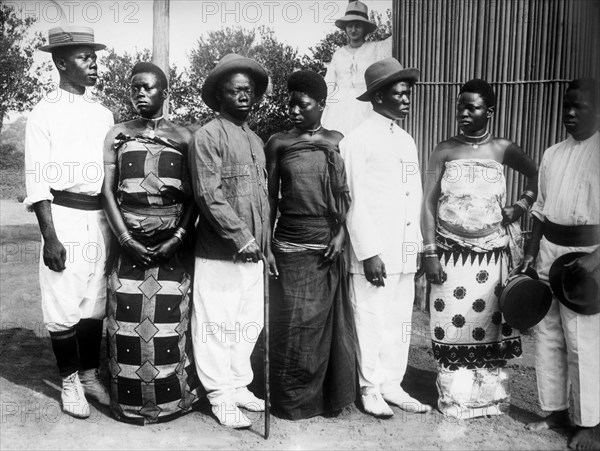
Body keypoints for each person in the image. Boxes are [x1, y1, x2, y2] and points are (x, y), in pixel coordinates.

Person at [421, 79, 538, 419]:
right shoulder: (443, 149)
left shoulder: (503, 148)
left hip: (491, 257)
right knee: (451, 327)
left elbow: (537, 174)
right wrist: (429, 252)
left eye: (471, 107)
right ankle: (456, 402)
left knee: (488, 326)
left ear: (489, 112)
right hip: (450, 256)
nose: (463, 113)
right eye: (460, 106)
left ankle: (488, 402)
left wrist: (520, 205)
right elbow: (427, 203)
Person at [101, 62, 201, 424]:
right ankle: (126, 402)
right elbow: (108, 193)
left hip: (171, 244)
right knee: (124, 318)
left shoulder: (186, 137)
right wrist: (125, 239)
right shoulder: (117, 134)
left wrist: (177, 237)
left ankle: (172, 401)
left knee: (171, 321)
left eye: (148, 88)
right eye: (135, 88)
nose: (141, 94)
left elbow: (194, 197)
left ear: (165, 92)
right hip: (129, 242)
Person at [24, 26, 113, 419]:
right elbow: (36, 180)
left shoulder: (103, 112)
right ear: (61, 63)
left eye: (94, 56)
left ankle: (91, 374)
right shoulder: (44, 112)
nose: (92, 62)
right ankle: (69, 380)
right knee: (62, 300)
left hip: (99, 217)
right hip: (63, 215)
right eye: (83, 57)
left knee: (94, 302)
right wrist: (50, 236)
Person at [340, 57, 430, 418]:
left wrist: (417, 247)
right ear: (378, 97)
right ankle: (369, 386)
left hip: (403, 251)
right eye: (399, 93)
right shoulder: (358, 140)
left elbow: (414, 196)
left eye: (408, 93)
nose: (407, 99)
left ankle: (392, 382)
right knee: (371, 318)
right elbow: (352, 200)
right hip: (374, 254)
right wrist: (369, 252)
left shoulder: (406, 140)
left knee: (398, 320)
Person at [189, 54, 274, 429]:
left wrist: (265, 247)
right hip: (221, 252)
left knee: (248, 323)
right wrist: (241, 238)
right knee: (216, 326)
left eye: (248, 90)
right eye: (235, 90)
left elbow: (263, 201)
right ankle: (220, 395)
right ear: (219, 95)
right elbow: (209, 194)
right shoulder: (208, 135)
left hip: (255, 254)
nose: (244, 96)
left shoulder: (256, 140)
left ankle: (239, 384)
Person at [265, 70, 356, 419]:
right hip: (289, 242)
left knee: (321, 326)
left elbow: (347, 195)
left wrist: (341, 234)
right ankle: (290, 400)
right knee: (291, 324)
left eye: (302, 105)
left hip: (326, 243)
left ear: (321, 105)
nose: (295, 111)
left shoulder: (338, 141)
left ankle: (324, 398)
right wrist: (268, 244)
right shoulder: (279, 143)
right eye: (291, 105)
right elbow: (270, 198)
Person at [522, 78, 599, 450]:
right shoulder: (552, 153)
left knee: (583, 339)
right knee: (548, 333)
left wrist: (597, 261)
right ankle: (554, 410)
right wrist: (532, 249)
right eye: (566, 106)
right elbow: (539, 209)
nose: (569, 113)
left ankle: (590, 423)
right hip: (550, 249)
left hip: (588, 256)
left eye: (579, 106)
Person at [321, 0, 392, 136]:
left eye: (357, 26)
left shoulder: (375, 49)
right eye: (350, 26)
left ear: (364, 28)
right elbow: (329, 84)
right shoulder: (339, 54)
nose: (353, 30)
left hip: (365, 104)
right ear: (345, 28)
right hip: (339, 109)